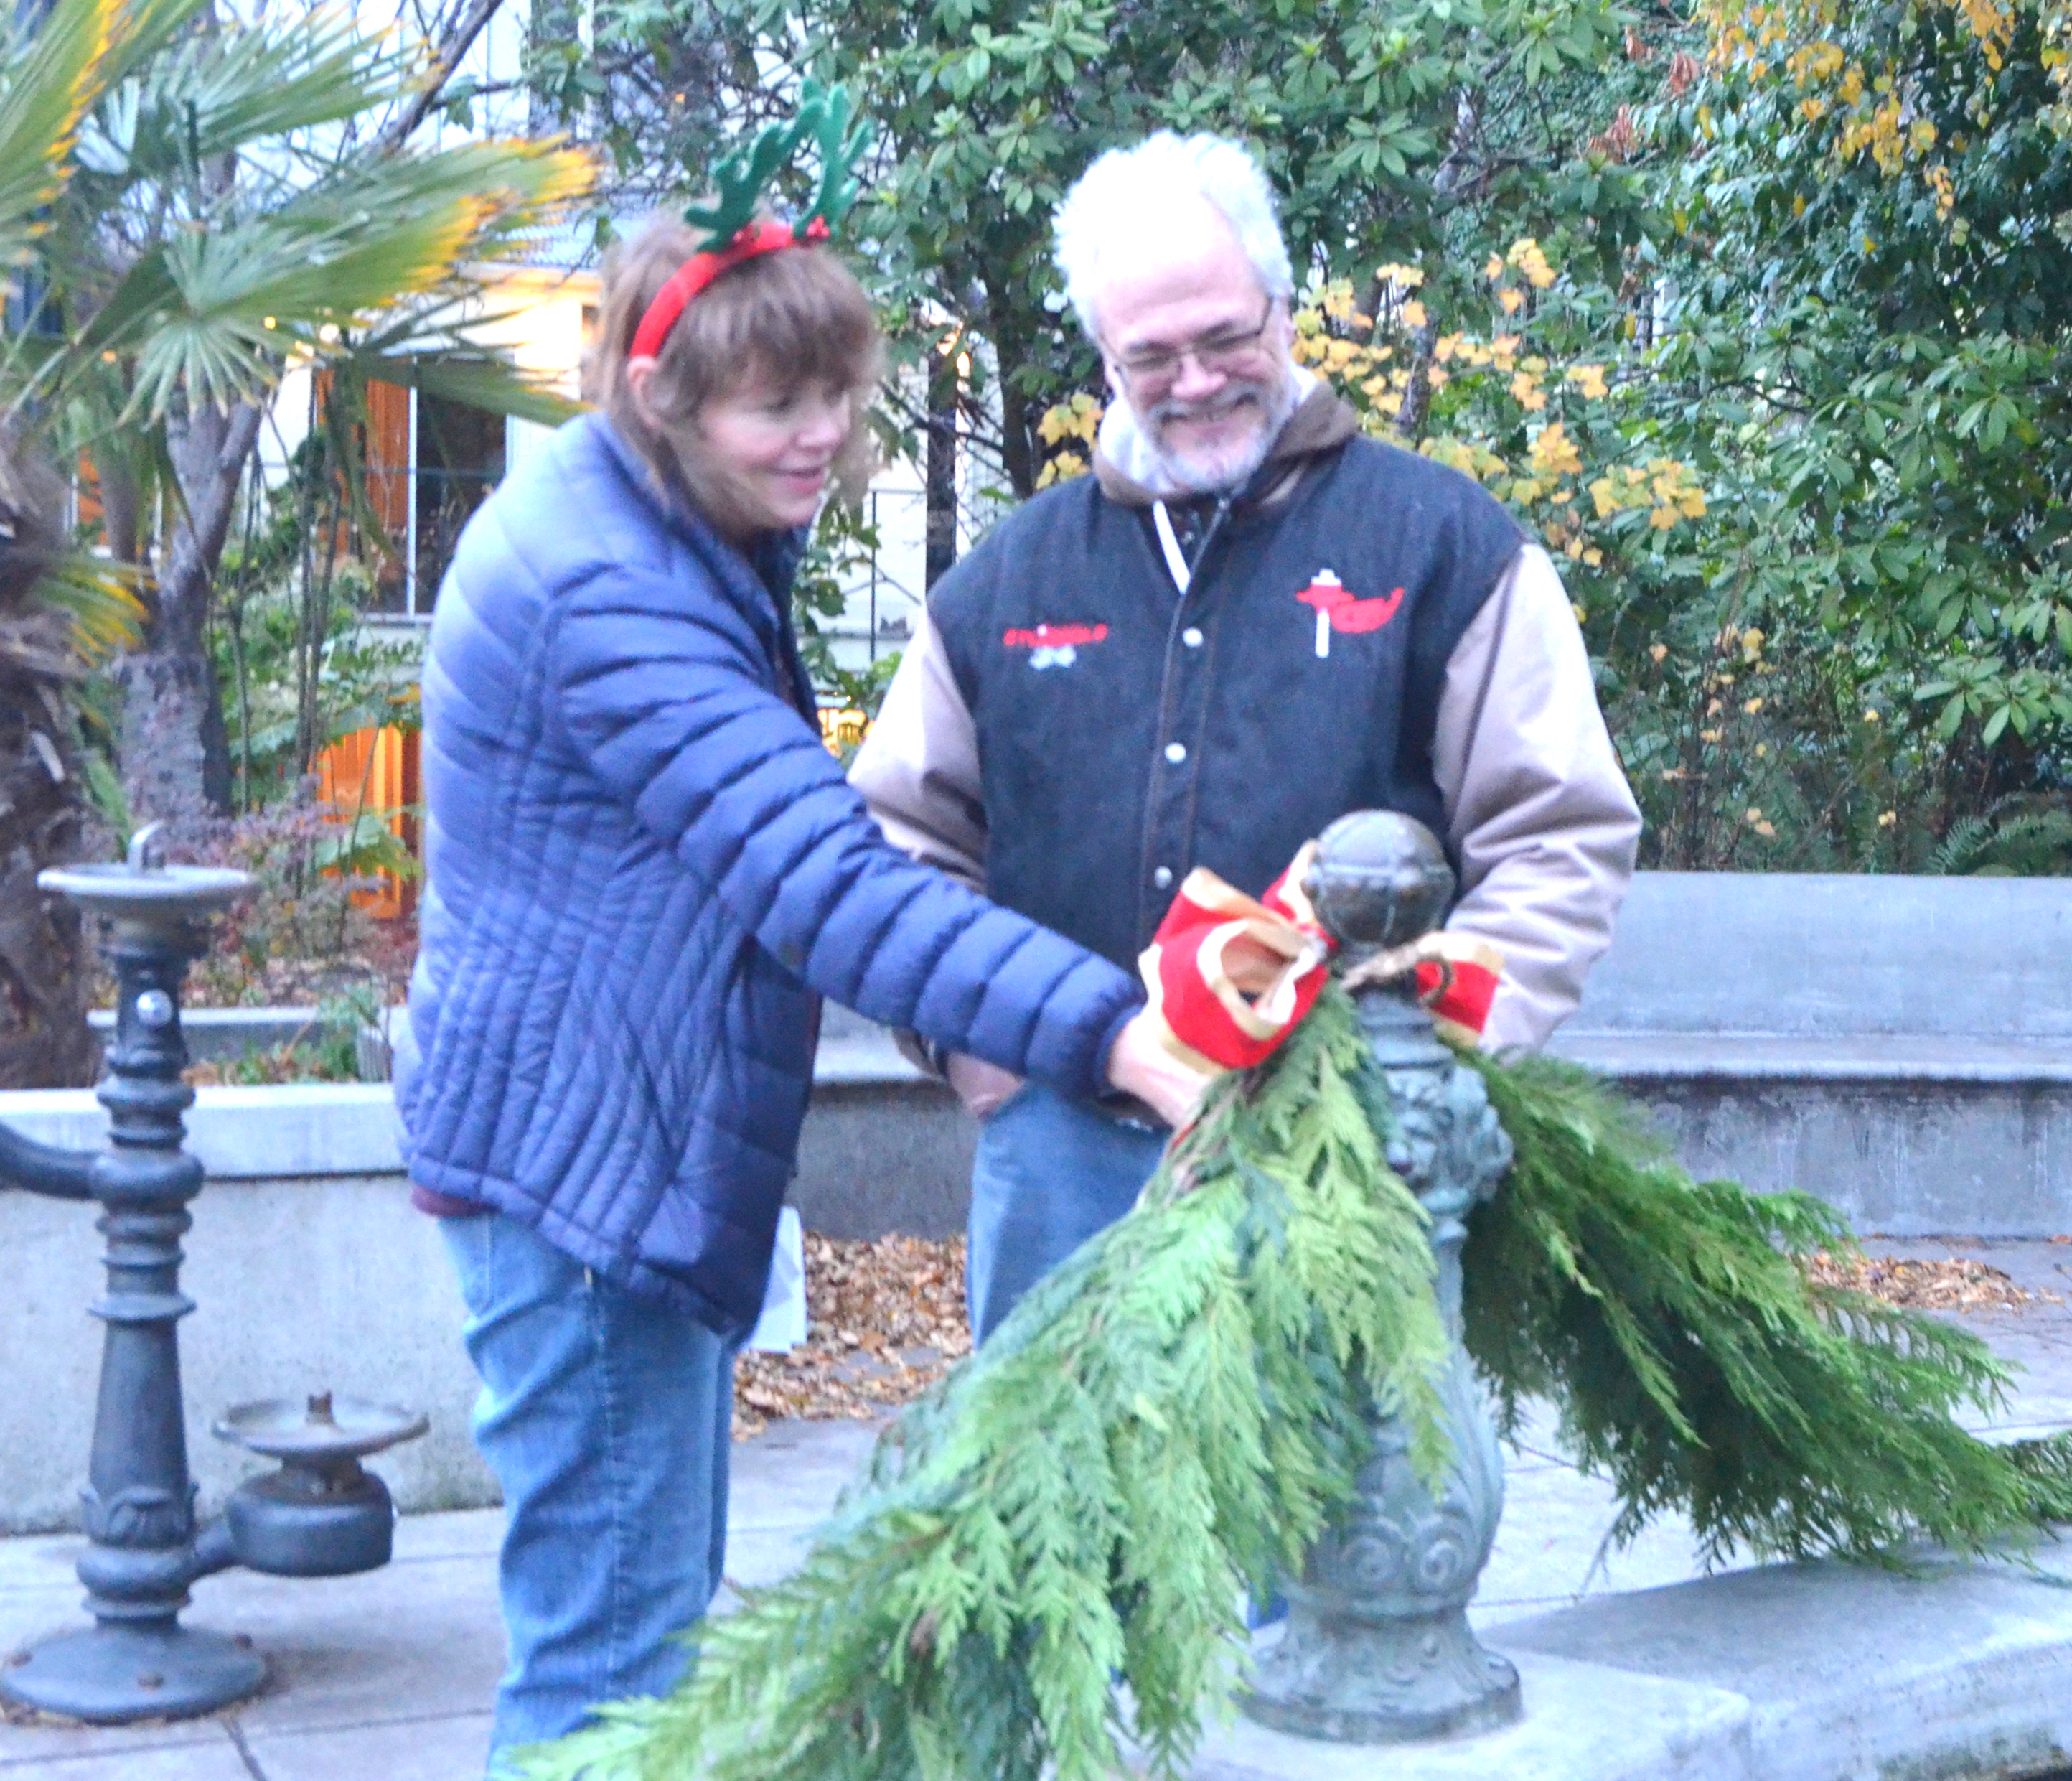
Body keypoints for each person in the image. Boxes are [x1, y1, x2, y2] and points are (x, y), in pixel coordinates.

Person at [394, 112, 1200, 1775]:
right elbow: (828, 884)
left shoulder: (658, 511)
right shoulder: (602, 586)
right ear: (654, 391)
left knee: (638, 1633)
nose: (824, 435)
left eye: (840, 391)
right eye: (780, 406)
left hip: (601, 1136)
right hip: (585, 1180)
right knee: (609, 1669)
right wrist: (1122, 1033)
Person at [851, 131, 1643, 1341]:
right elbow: (893, 853)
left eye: (1226, 337)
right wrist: (984, 1058)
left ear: (1283, 306)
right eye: (1150, 355)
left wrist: (1411, 1072)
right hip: (1061, 1162)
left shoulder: (1443, 546)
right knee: (1069, 1527)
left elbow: (1557, 834)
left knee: (1339, 1523)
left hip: (1338, 1158)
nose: (1197, 378)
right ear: (1102, 356)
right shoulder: (999, 587)